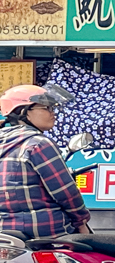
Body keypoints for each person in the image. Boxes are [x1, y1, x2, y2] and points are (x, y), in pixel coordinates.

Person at [0, 83, 88, 239]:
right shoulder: (38, 144)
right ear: (23, 112)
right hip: (46, 234)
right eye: (46, 108)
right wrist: (81, 221)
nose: (53, 113)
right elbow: (66, 193)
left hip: (5, 234)